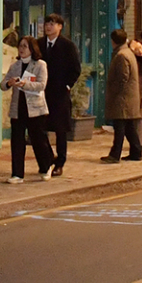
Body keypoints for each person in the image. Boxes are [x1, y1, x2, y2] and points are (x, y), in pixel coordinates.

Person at [1, 36, 55, 183]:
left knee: (38, 140)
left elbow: (41, 85)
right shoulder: (15, 66)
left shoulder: (40, 65)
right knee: (17, 141)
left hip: (35, 108)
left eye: (25, 46)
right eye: (20, 46)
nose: (22, 49)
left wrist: (24, 84)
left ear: (32, 48)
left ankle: (46, 166)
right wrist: (9, 83)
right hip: (18, 108)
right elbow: (3, 84)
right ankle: (17, 174)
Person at [39, 14, 81, 177]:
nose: (48, 26)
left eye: (52, 24)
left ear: (60, 27)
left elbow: (76, 68)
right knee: (41, 127)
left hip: (60, 93)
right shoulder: (39, 44)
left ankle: (60, 162)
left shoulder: (67, 45)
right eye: (46, 23)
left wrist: (67, 85)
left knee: (60, 129)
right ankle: (49, 158)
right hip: (42, 92)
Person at [102, 29, 142, 163]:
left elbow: (122, 78)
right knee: (129, 127)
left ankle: (115, 154)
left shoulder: (121, 55)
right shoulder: (128, 52)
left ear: (113, 41)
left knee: (119, 127)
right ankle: (136, 151)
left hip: (123, 98)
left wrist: (113, 92)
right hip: (129, 97)